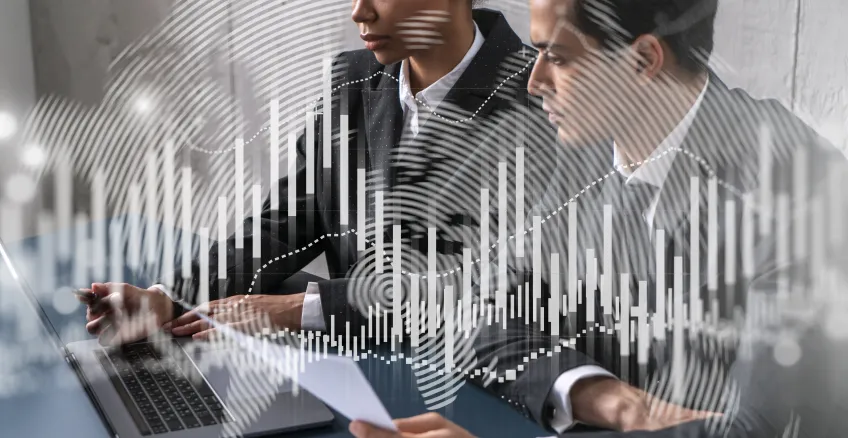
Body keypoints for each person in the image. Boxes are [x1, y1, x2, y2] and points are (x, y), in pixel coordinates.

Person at [345, 0, 848, 435]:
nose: (535, 80)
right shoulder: (574, 150)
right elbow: (473, 311)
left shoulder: (802, 186)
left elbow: (764, 428)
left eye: (558, 57)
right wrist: (614, 400)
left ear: (645, 58)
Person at [80, 1, 556, 346]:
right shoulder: (353, 79)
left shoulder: (539, 99)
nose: (359, 11)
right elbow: (292, 218)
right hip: (355, 360)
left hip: (480, 375)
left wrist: (296, 310)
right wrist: (170, 298)